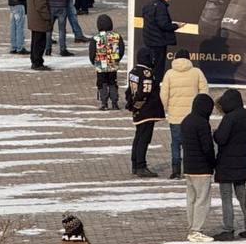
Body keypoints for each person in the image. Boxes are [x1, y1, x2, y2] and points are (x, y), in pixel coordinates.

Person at [213, 88, 246, 241]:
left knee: (226, 196)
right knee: (242, 195)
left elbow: (221, 138)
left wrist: (215, 133)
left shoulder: (229, 118)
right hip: (243, 162)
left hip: (226, 164)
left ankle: (228, 229)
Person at [161, 49, 209, 180]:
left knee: (176, 143)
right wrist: (202, 110)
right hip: (192, 116)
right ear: (189, 59)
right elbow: (204, 91)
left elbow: (164, 94)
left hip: (175, 115)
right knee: (192, 143)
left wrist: (164, 109)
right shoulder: (197, 72)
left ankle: (176, 170)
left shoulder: (169, 74)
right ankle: (190, 168)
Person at [179, 93, 216, 243]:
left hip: (188, 166)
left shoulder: (187, 121)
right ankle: (196, 230)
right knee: (202, 200)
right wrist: (213, 163)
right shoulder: (202, 123)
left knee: (191, 199)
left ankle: (192, 226)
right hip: (201, 168)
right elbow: (207, 147)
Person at [126, 47, 164, 178]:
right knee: (144, 138)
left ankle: (135, 164)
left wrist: (131, 104)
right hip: (147, 110)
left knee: (138, 137)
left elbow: (129, 91)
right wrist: (137, 106)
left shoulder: (133, 71)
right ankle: (141, 165)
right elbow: (145, 92)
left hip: (138, 110)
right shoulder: (147, 73)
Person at [141, 0, 178, 81]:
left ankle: (149, 84)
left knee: (150, 66)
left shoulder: (147, 5)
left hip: (148, 41)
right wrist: (176, 26)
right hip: (158, 42)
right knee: (158, 68)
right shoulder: (161, 7)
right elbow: (164, 25)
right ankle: (156, 87)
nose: (169, 0)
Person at [88, 13, 124, 110]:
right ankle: (115, 102)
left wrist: (93, 61)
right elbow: (121, 49)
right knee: (113, 82)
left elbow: (92, 52)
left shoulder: (96, 38)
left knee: (102, 83)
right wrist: (117, 59)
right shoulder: (117, 36)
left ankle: (104, 103)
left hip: (100, 65)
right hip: (113, 64)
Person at [26, 0, 52, 70]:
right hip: (39, 20)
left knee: (36, 41)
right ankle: (37, 62)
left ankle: (36, 60)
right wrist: (48, 16)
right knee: (39, 42)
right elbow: (41, 6)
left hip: (34, 19)